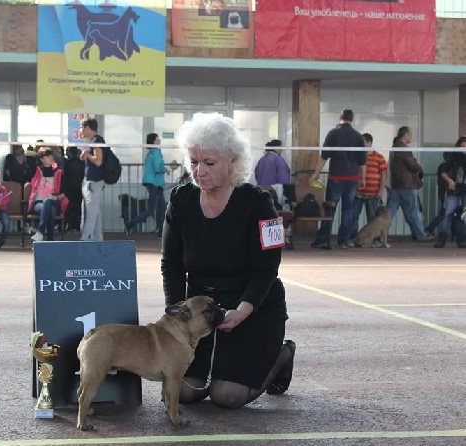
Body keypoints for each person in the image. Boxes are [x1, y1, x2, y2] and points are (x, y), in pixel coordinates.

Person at [161, 112, 295, 409]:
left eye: (209, 163)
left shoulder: (260, 203)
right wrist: (179, 313)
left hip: (252, 306)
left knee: (227, 396)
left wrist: (244, 309)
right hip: (199, 311)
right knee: (183, 392)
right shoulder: (180, 200)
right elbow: (170, 264)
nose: (199, 171)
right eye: (194, 162)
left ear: (232, 161)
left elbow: (267, 268)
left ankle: (282, 354)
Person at [308, 109, 366, 249]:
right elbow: (362, 161)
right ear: (352, 119)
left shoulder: (333, 134)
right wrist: (362, 178)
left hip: (336, 177)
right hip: (352, 178)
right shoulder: (358, 136)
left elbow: (324, 156)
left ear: (340, 117)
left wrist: (316, 174)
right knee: (348, 210)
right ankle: (343, 240)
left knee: (329, 210)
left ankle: (323, 239)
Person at [386, 127, 433, 242]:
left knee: (389, 211)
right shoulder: (403, 148)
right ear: (405, 135)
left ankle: (380, 234)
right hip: (407, 184)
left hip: (396, 184)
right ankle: (420, 234)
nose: (411, 137)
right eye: (410, 134)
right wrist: (420, 168)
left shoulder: (394, 147)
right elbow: (412, 164)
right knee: (413, 210)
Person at [124, 133, 168, 238]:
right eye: (157, 138)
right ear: (154, 141)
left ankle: (161, 232)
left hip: (153, 184)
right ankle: (130, 224)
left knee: (163, 208)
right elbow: (158, 168)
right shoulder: (156, 152)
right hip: (156, 184)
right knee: (151, 210)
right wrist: (165, 169)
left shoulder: (150, 153)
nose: (159, 140)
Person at [349, 133, 388, 244]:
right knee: (354, 216)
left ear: (369, 143)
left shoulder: (379, 158)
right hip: (358, 192)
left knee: (373, 219)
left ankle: (374, 240)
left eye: (363, 142)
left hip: (373, 192)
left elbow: (383, 174)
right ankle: (353, 238)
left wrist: (381, 190)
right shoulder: (357, 157)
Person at [28, 147, 68, 242]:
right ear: (41, 159)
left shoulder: (58, 172)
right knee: (51, 211)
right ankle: (50, 239)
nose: (51, 158)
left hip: (54, 201)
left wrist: (57, 197)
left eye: (51, 156)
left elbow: (64, 192)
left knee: (49, 202)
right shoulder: (37, 170)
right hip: (39, 202)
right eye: (48, 156)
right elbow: (28, 154)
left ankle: (40, 232)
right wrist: (38, 154)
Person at [434, 136, 466, 248]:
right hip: (454, 189)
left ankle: (462, 238)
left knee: (463, 215)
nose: (464, 148)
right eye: (462, 146)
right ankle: (442, 239)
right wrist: (449, 181)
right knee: (448, 213)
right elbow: (443, 171)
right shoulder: (453, 157)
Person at [79, 118, 106, 241]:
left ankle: (86, 238)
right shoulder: (91, 142)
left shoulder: (97, 141)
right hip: (89, 182)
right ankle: (98, 239)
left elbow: (98, 161)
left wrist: (87, 155)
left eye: (82, 127)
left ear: (89, 128)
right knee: (95, 213)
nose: (81, 130)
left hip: (94, 182)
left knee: (91, 212)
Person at [62, 146, 85, 232]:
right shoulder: (82, 163)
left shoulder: (67, 163)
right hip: (79, 187)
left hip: (69, 187)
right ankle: (78, 226)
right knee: (78, 207)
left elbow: (65, 176)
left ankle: (69, 225)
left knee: (69, 207)